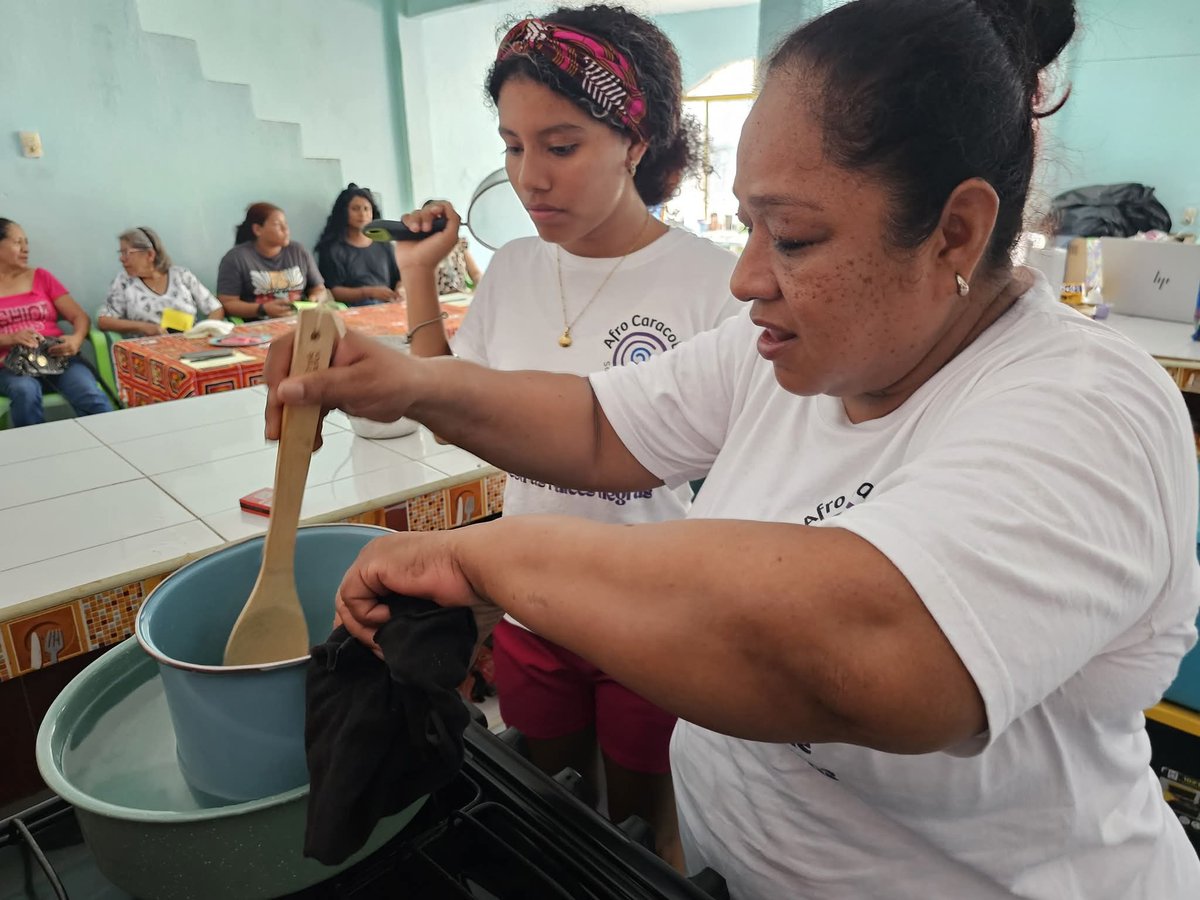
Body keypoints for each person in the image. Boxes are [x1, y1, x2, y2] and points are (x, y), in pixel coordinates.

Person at [266, 0, 1200, 897]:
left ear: (955, 229)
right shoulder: (787, 357)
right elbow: (596, 424)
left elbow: (863, 647)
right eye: (750, 224)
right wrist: (406, 379)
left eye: (791, 236)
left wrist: (484, 555)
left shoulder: (1089, 407)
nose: (749, 276)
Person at [390, 5, 741, 867]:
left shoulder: (711, 283)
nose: (529, 178)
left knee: (642, 838)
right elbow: (451, 401)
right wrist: (416, 280)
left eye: (560, 145)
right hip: (530, 607)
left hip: (652, 616)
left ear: (635, 138)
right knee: (549, 816)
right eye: (512, 146)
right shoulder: (511, 269)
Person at [0, 219, 113, 427]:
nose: (26, 249)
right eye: (18, 242)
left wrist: (76, 340)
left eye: (27, 242)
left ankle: (115, 443)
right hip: (9, 367)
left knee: (88, 392)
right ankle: (37, 454)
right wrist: (10, 338)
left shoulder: (41, 277)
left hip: (57, 358)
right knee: (25, 392)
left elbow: (79, 316)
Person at [98, 227, 224, 336]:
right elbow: (104, 320)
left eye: (127, 253)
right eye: (121, 253)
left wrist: (206, 331)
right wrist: (144, 327)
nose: (121, 259)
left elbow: (215, 309)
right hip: (147, 351)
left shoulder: (181, 275)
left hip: (189, 343)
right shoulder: (124, 282)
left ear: (150, 255)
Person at [216, 202, 325, 320]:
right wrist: (262, 309)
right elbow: (227, 303)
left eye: (286, 224)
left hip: (300, 320)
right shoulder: (235, 259)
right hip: (259, 326)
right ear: (258, 229)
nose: (286, 229)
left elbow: (319, 288)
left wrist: (316, 298)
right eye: (278, 225)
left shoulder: (299, 251)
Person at [314, 184, 402, 306]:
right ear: (343, 212)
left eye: (366, 209)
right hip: (353, 309)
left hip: (389, 306)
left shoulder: (385, 245)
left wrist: (400, 290)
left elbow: (399, 278)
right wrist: (368, 292)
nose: (362, 214)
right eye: (355, 209)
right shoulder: (333, 249)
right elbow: (334, 291)